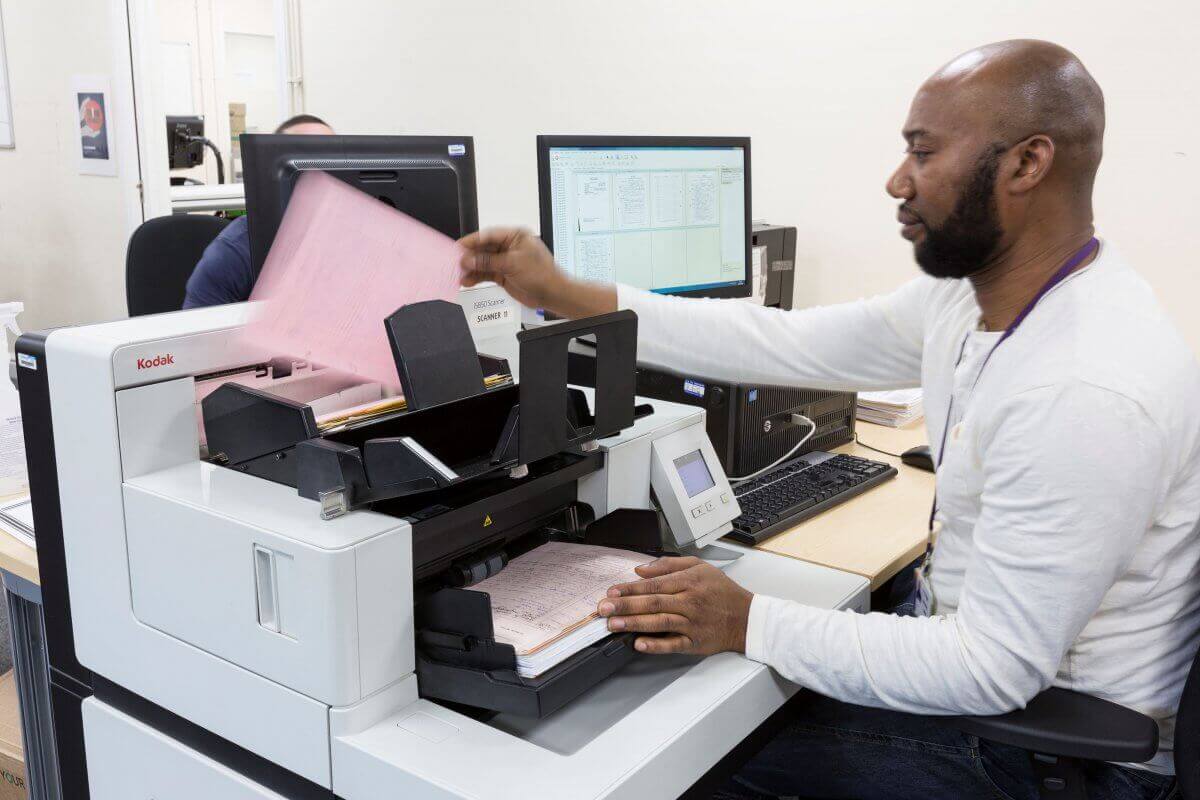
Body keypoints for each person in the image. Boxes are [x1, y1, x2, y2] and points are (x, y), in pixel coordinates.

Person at [459, 40, 1198, 799]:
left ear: (1026, 164)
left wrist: (746, 619)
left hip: (1053, 751)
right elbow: (782, 341)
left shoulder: (1087, 386)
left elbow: (992, 668)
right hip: (986, 684)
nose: (896, 181)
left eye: (923, 152)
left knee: (676, 759)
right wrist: (566, 290)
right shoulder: (973, 298)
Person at [181, 114, 334, 309]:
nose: (320, 172)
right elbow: (197, 333)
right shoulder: (235, 251)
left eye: (329, 158)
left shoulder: (354, 240)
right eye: (307, 160)